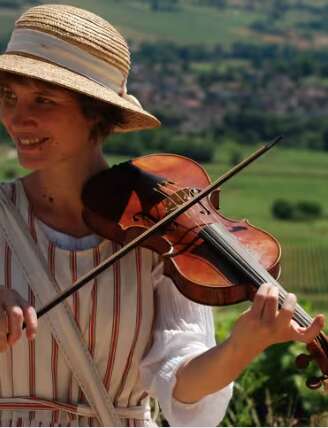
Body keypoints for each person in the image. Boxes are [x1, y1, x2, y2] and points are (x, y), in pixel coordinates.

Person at [0, 4, 324, 427]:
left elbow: (183, 394)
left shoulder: (162, 229)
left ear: (96, 111)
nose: (18, 117)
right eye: (9, 96)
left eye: (44, 99)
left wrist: (243, 343)